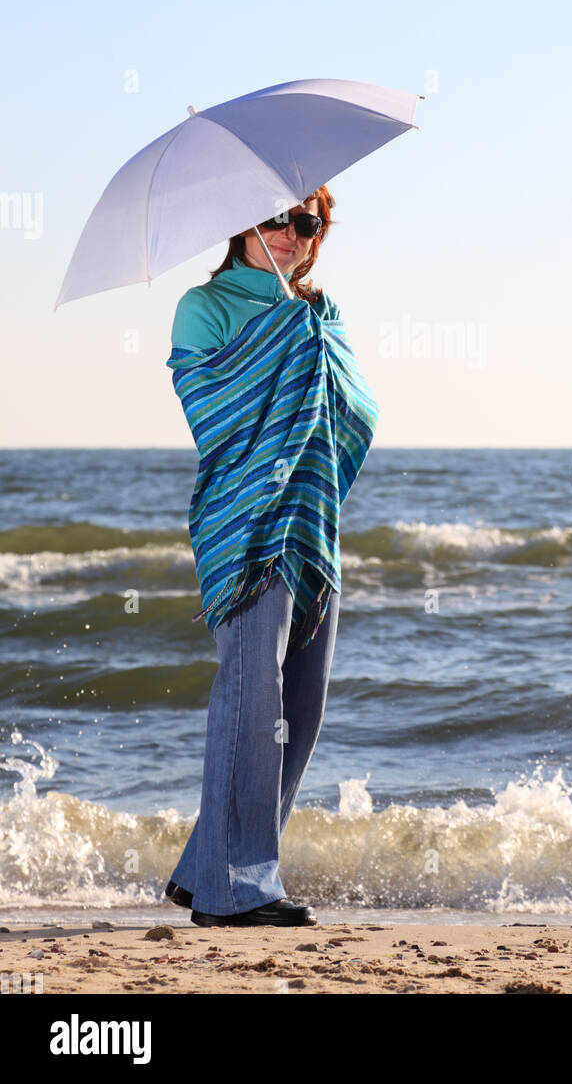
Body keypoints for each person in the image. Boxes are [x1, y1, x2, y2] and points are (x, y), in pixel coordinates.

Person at [162, 185, 377, 927]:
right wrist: (284, 344)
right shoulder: (205, 307)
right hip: (247, 531)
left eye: (307, 222)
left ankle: (204, 869)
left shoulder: (322, 312)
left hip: (313, 526)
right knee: (251, 706)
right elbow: (213, 417)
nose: (292, 234)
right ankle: (235, 890)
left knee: (300, 713)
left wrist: (304, 338)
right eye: (278, 216)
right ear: (241, 219)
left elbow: (356, 409)